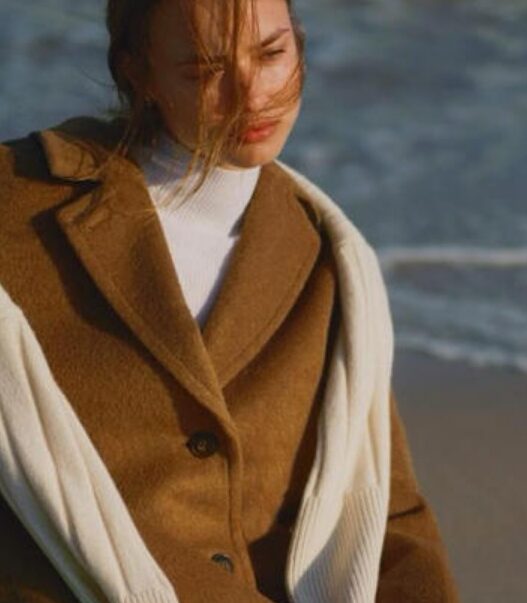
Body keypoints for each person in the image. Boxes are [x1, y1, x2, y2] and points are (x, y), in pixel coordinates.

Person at [0, 0, 460, 602]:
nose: (251, 93)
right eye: (204, 69)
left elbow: (389, 515)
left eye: (272, 54)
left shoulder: (329, 263)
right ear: (139, 74)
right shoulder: (18, 206)